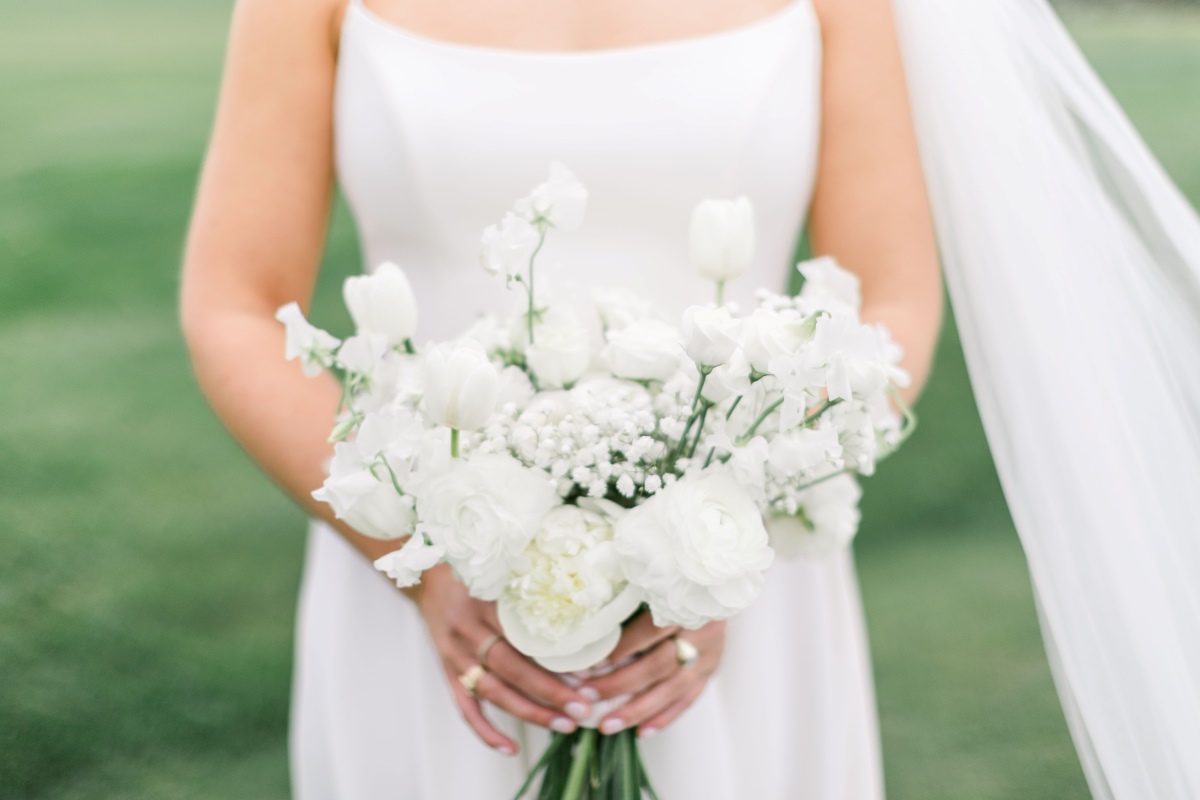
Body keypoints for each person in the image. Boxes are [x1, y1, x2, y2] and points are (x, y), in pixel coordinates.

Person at [181, 0, 1200, 797]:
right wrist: (427, 565)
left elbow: (889, 303)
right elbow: (231, 303)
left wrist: (705, 542)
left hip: (737, 596)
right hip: (426, 597)